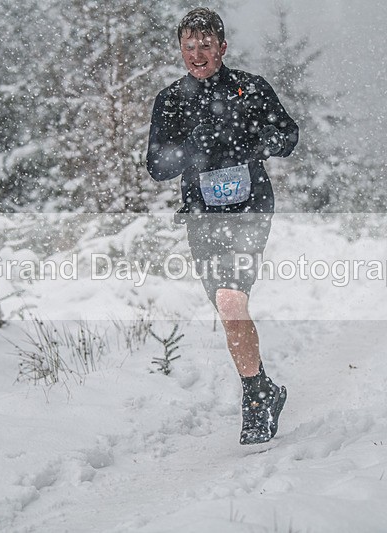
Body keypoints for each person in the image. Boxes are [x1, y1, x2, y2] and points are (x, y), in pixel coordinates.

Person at [146, 8, 299, 445]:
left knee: (232, 298)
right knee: (226, 304)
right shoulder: (171, 100)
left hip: (251, 207)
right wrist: (192, 148)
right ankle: (263, 387)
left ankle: (254, 400)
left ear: (222, 47)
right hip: (203, 214)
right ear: (181, 49)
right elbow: (157, 166)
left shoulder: (250, 88)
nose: (197, 54)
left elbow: (287, 135)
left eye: (206, 45)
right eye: (189, 46)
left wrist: (254, 142)